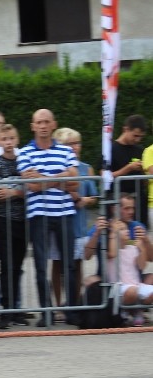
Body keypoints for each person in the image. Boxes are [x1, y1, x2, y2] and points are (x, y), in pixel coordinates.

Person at [18, 109, 80, 327]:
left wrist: (45, 179)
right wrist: (61, 178)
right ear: (32, 126)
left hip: (64, 212)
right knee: (41, 266)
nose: (43, 126)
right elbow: (32, 186)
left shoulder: (66, 150)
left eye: (46, 122)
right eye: (39, 122)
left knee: (69, 264)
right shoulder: (24, 152)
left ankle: (72, 311)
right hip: (39, 214)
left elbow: (75, 182)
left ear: (54, 124)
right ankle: (46, 311)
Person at [50, 128, 99, 315]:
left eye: (76, 143)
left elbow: (93, 195)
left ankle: (74, 302)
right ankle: (58, 303)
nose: (74, 147)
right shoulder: (58, 168)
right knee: (57, 263)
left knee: (77, 263)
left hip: (78, 223)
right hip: (60, 219)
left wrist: (84, 200)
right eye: (69, 144)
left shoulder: (86, 168)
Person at [0, 124, 29, 329]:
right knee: (6, 266)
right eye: (4, 139)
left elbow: (28, 188)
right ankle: (6, 309)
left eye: (11, 138)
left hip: (22, 220)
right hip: (3, 221)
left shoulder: (24, 163)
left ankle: (16, 308)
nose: (8, 142)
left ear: (17, 140)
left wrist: (13, 192)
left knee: (18, 266)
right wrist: (17, 188)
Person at [103, 114, 147, 226]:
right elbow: (104, 177)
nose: (137, 139)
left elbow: (145, 178)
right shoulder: (110, 149)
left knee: (140, 234)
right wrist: (128, 168)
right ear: (126, 129)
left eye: (140, 137)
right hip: (119, 203)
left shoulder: (140, 150)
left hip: (139, 202)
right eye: (135, 135)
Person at [106, 219, 153, 324]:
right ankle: (124, 312)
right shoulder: (112, 249)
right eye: (122, 229)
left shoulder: (132, 248)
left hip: (135, 285)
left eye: (126, 229)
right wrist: (113, 232)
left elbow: (142, 266)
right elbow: (112, 254)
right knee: (132, 291)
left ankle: (138, 311)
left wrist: (142, 250)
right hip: (119, 287)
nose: (127, 231)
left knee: (144, 291)